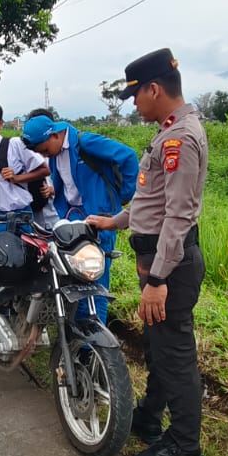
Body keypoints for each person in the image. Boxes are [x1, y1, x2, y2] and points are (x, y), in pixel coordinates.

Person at [88, 48, 208, 456]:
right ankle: (149, 418)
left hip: (168, 265)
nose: (134, 104)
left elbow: (178, 216)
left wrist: (158, 279)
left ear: (154, 89)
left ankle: (185, 444)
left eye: (135, 95)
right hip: (157, 261)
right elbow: (150, 202)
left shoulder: (179, 139)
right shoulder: (167, 132)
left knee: (174, 351)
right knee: (158, 346)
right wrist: (114, 220)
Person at [21, 112, 139, 321]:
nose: (46, 155)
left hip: (98, 220)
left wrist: (124, 196)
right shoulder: (57, 153)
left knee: (95, 281)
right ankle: (77, 331)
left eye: (45, 150)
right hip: (73, 219)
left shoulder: (87, 143)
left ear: (55, 135)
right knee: (75, 278)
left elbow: (128, 157)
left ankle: (93, 335)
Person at [0, 101, 49, 235]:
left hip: (20, 214)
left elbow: (44, 169)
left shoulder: (15, 144)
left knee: (24, 248)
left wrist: (17, 178)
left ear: (0, 123)